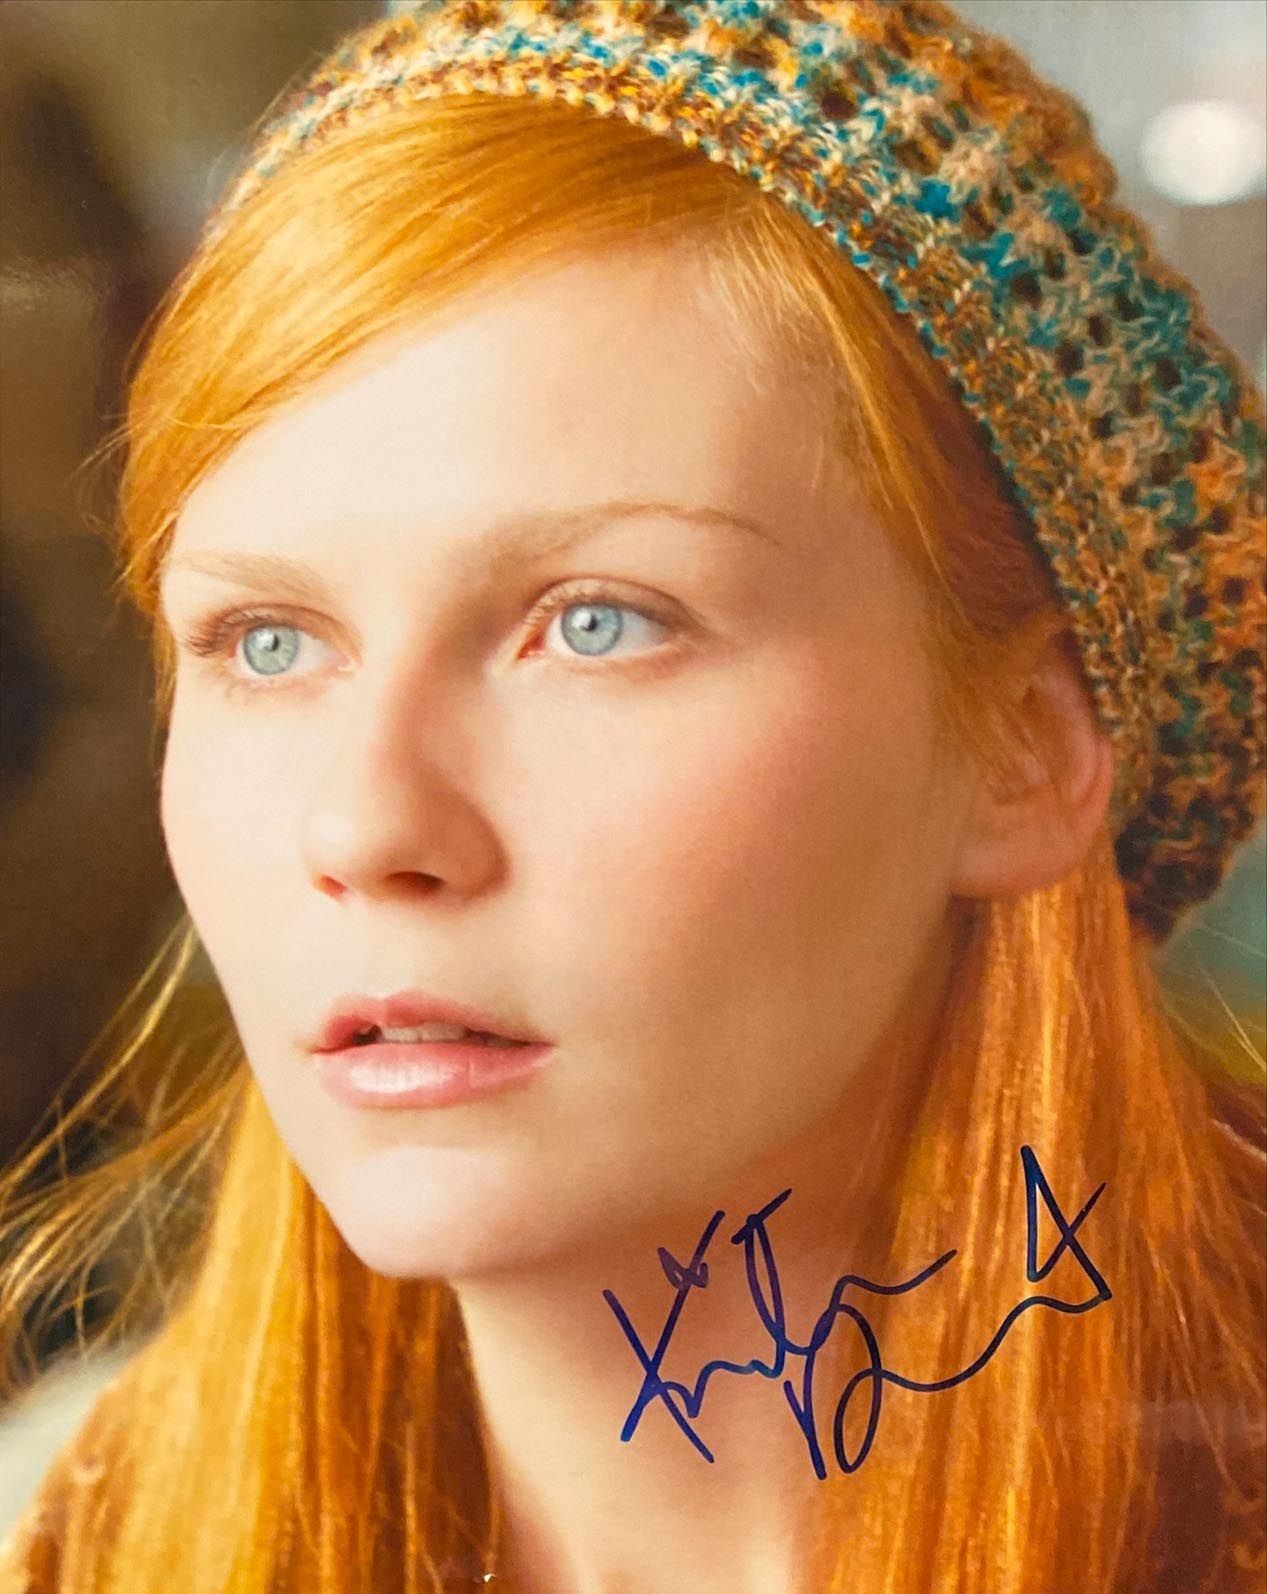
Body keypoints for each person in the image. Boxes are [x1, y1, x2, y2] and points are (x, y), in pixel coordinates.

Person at [1, 1, 1263, 1589]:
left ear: (1024, 749)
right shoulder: (67, 1537)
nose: (366, 826)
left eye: (599, 623)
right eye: (268, 640)